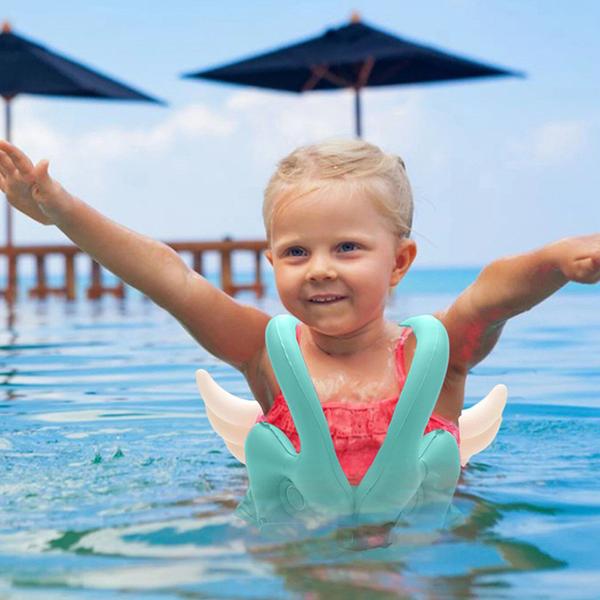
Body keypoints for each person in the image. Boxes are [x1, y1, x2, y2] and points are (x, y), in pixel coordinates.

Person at [0, 138, 598, 489]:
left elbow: (491, 295)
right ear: (272, 261)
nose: (319, 268)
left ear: (399, 261)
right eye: (295, 251)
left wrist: (556, 260)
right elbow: (171, 279)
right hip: (294, 547)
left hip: (426, 554)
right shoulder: (267, 353)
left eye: (347, 248)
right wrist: (65, 213)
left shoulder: (433, 357)